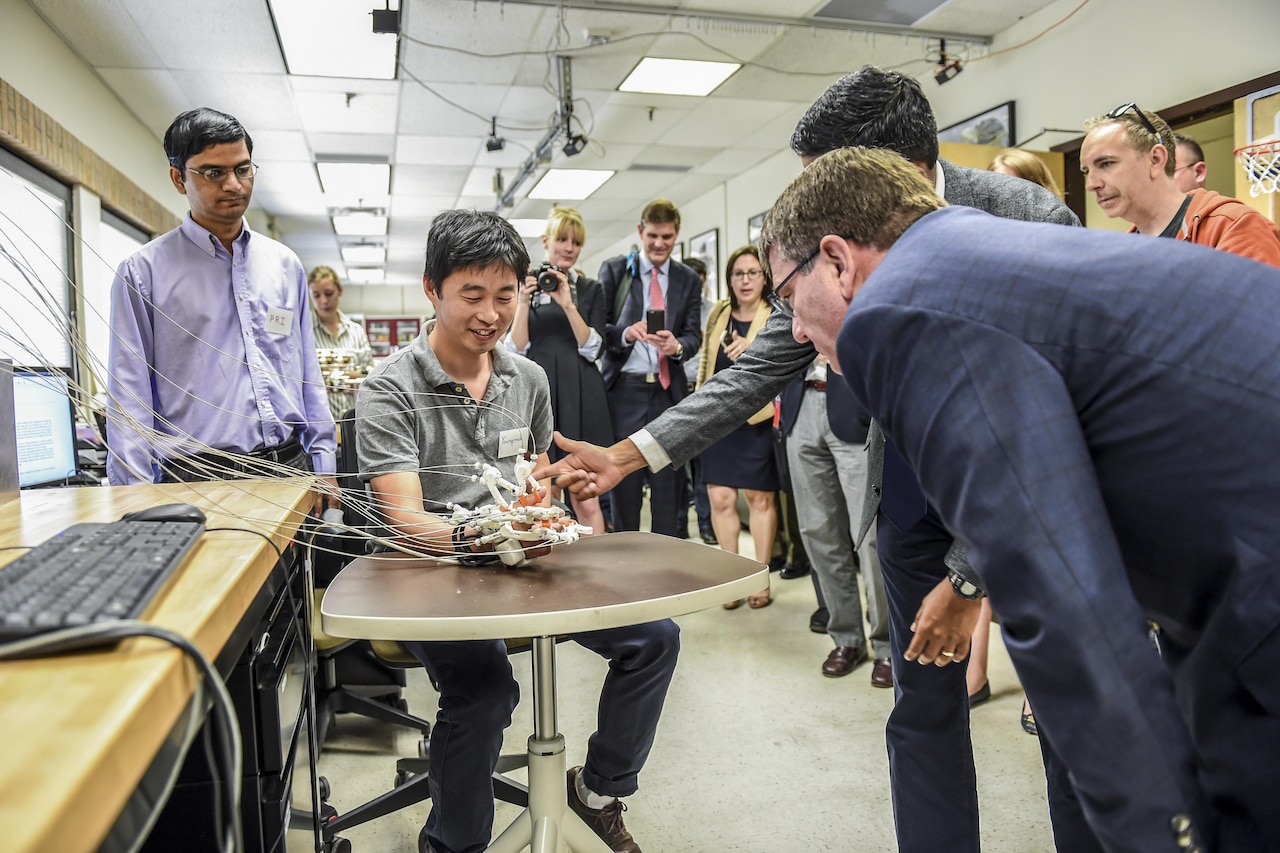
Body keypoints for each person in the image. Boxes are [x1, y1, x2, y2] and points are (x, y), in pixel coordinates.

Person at [538, 66, 1081, 853]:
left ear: (878, 172)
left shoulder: (1021, 221)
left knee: (1068, 710)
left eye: (820, 182)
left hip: (1034, 502)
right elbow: (763, 362)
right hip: (911, 495)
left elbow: (1057, 418)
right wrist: (629, 454)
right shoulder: (832, 243)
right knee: (922, 709)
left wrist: (970, 576)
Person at [762, 142, 1280, 853]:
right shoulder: (967, 251)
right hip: (1231, 575)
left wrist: (1167, 834)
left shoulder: (895, 312)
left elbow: (1059, 593)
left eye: (789, 295)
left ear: (838, 259)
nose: (793, 326)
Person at [356, 209, 679, 853]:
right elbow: (408, 523)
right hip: (429, 574)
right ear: (432, 289)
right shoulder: (389, 389)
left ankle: (598, 790)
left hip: (518, 564)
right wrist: (487, 540)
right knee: (484, 690)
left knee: (654, 638)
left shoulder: (528, 379)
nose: (490, 314)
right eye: (470, 296)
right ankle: (453, 841)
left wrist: (547, 499)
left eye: (505, 297)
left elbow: (529, 481)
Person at [107, 107, 336, 515]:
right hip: (197, 479)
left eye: (243, 169)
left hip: (288, 468)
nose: (233, 184)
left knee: (291, 581)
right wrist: (133, 499)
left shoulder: (284, 266)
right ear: (179, 178)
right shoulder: (143, 274)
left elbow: (306, 374)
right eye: (213, 173)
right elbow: (129, 398)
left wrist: (325, 463)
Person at [969, 148, 1065, 731]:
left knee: (1033, 567)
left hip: (1037, 427)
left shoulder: (1051, 252)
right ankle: (972, 672)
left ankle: (1040, 687)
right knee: (975, 556)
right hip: (983, 422)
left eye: (1008, 189)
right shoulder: (979, 256)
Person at [779, 355, 891, 683]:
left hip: (854, 409)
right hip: (800, 407)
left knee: (869, 537)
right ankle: (846, 638)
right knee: (817, 532)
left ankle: (886, 644)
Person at [596, 199, 702, 536]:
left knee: (668, 488)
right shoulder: (615, 271)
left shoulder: (687, 279)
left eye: (667, 237)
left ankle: (668, 569)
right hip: (624, 391)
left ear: (677, 235)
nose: (659, 244)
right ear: (641, 231)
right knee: (624, 485)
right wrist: (627, 333)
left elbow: (694, 336)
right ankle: (627, 570)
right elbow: (599, 330)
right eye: (653, 235)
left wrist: (677, 346)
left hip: (667, 393)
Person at [507, 207, 609, 535]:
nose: (568, 247)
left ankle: (596, 566)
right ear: (545, 241)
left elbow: (593, 347)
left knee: (585, 491)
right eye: (562, 239)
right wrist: (522, 301)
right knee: (544, 488)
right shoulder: (526, 285)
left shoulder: (591, 289)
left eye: (575, 242)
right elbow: (515, 349)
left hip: (582, 392)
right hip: (539, 392)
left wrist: (567, 302)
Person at [1081, 103, 1280, 265]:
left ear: (1156, 159)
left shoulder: (1232, 227)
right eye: (1086, 171)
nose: (1091, 184)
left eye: (1106, 164)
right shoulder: (1125, 251)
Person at [695, 246, 778, 610]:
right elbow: (705, 360)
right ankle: (732, 578)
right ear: (728, 279)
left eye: (752, 273)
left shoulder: (774, 314)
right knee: (720, 498)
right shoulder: (720, 312)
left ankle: (759, 577)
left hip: (757, 419)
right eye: (738, 274)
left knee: (759, 499)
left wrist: (753, 347)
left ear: (765, 278)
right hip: (718, 416)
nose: (745, 281)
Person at [680, 255, 717, 545]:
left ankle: (706, 522)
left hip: (702, 390)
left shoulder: (713, 311)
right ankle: (681, 521)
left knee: (703, 465)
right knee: (676, 463)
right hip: (676, 390)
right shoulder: (674, 311)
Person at [308, 265, 374, 421]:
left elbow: (370, 371)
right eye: (316, 295)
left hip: (354, 417)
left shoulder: (356, 331)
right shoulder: (305, 332)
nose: (323, 301)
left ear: (340, 291)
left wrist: (338, 376)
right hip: (319, 420)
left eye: (329, 293)